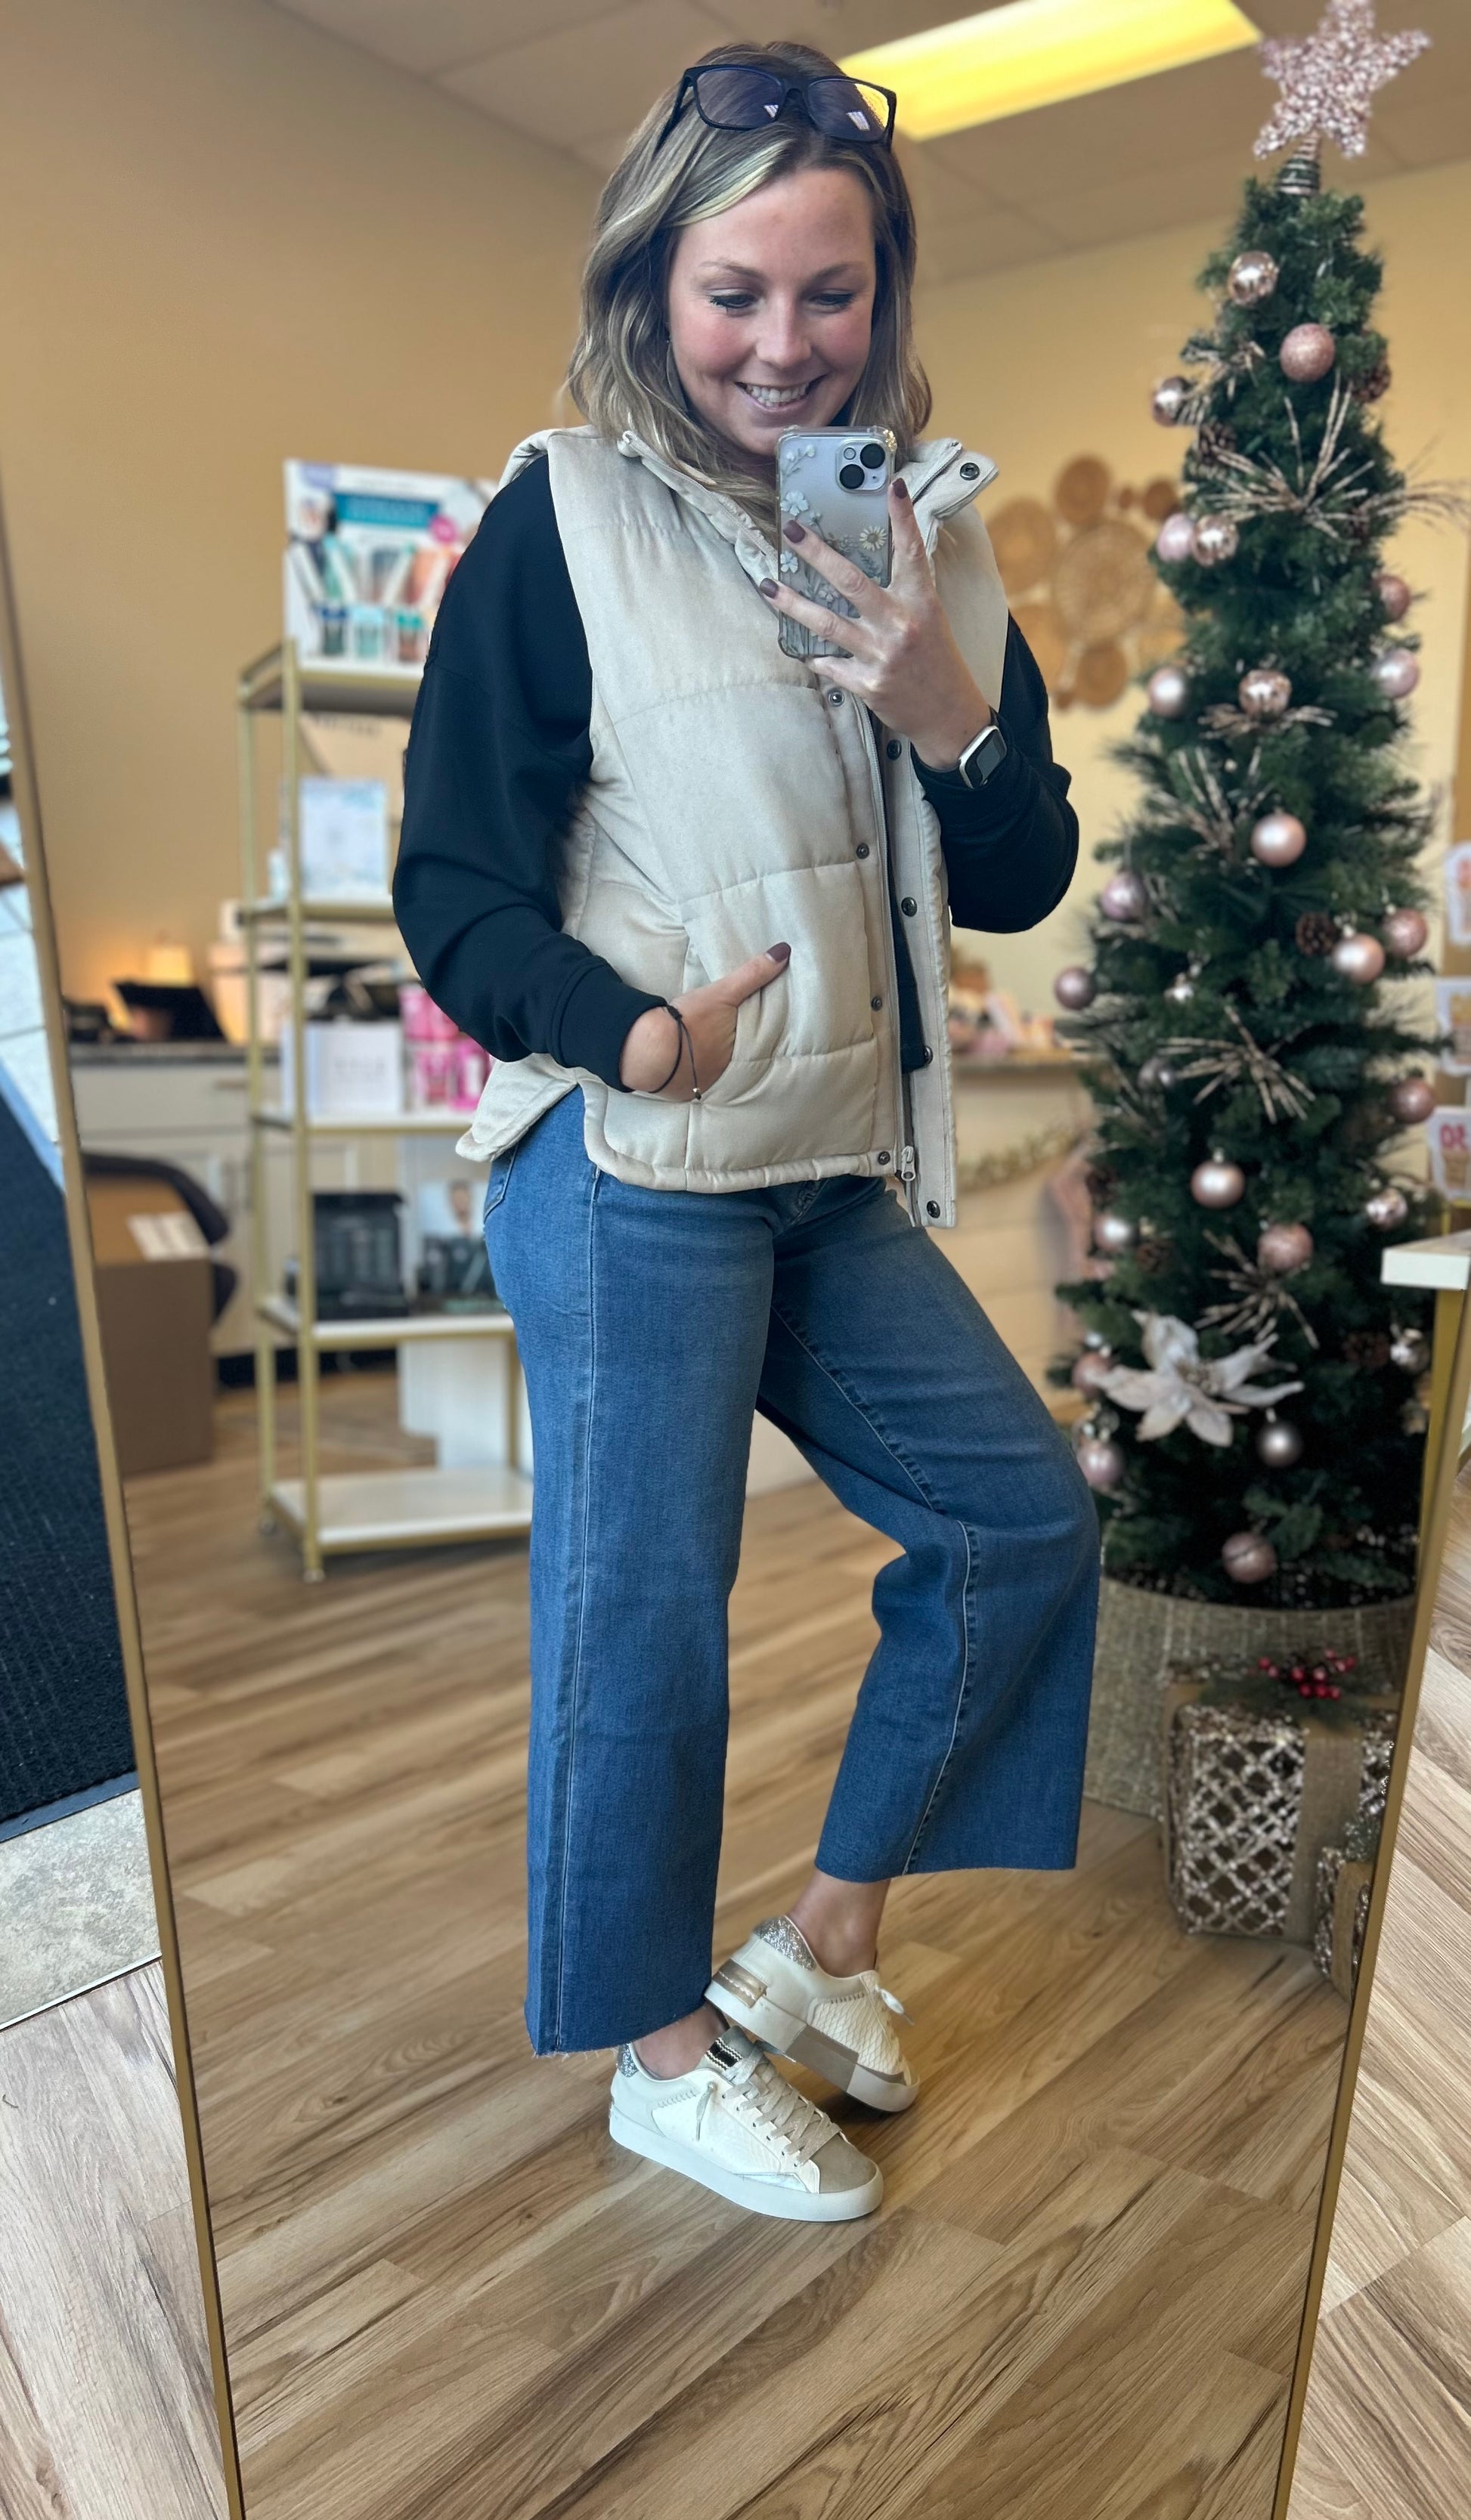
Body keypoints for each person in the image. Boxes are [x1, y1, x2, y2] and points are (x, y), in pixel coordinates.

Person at [395, 40, 1099, 2226]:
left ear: (886, 296)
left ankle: (812, 1952)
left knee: (1015, 1527)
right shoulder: (557, 519)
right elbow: (451, 886)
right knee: (648, 1614)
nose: (782, 346)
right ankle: (658, 2054)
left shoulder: (936, 540)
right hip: (626, 1162)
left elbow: (1016, 874)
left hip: (824, 1164)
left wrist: (940, 707)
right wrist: (630, 1030)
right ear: (651, 282)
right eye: (733, 293)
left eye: (829, 294)